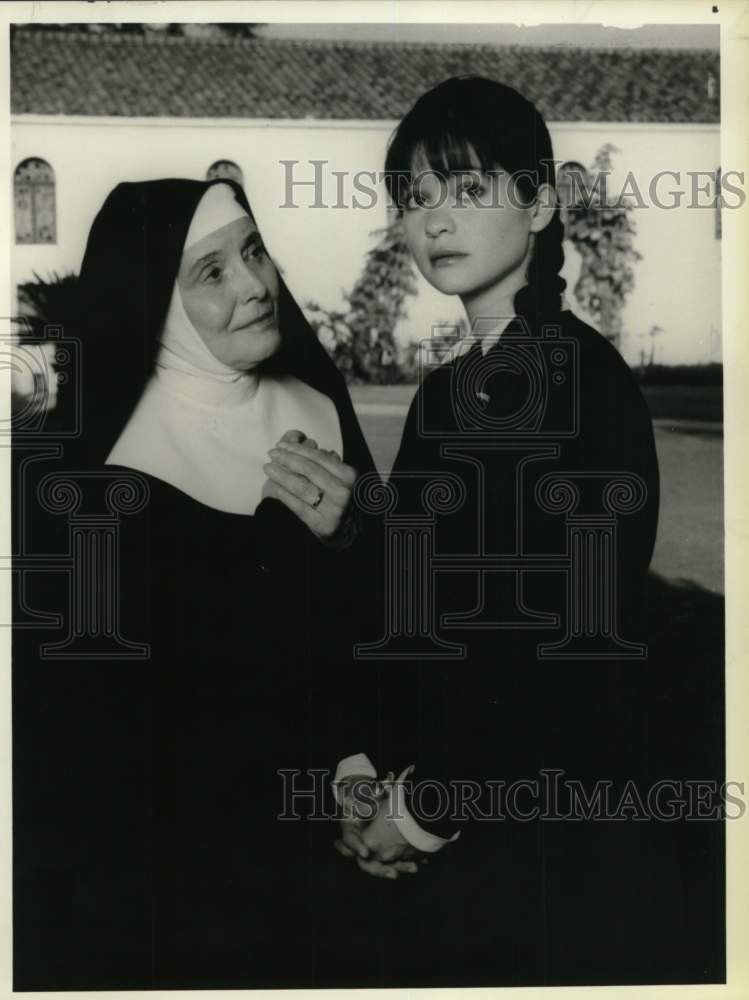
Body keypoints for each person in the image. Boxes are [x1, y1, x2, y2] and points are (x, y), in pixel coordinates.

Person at [324, 78, 724, 988]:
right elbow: (422, 606)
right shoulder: (444, 392)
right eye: (417, 199)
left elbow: (562, 645)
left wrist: (422, 807)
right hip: (446, 807)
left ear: (540, 203)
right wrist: (367, 769)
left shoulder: (584, 386)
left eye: (468, 191)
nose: (435, 220)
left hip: (552, 826)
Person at [12, 178, 380, 989]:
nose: (253, 284)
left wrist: (357, 759)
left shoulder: (319, 404)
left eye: (254, 252)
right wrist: (285, 542)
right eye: (209, 272)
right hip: (179, 876)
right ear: (156, 301)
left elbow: (379, 623)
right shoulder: (94, 477)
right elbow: (122, 728)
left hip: (327, 843)